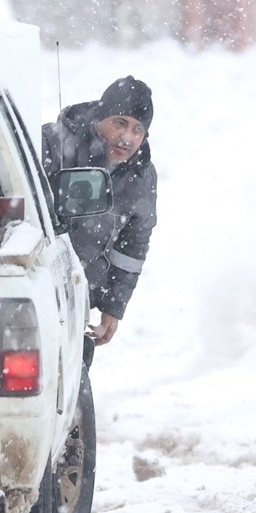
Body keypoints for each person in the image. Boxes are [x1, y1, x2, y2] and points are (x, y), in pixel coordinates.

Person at [42, 76, 157, 361]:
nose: (128, 137)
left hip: (81, 301)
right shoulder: (54, 144)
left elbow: (133, 245)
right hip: (38, 291)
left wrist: (114, 307)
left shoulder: (141, 176)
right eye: (120, 123)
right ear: (100, 118)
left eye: (138, 129)